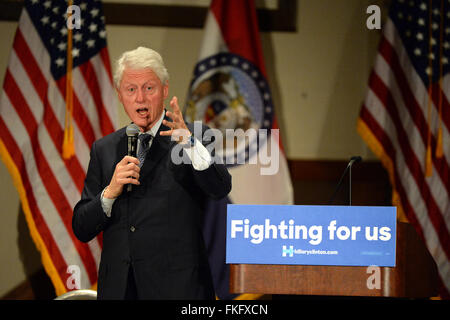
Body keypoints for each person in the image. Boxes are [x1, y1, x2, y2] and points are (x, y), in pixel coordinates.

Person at [72, 46, 232, 300]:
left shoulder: (193, 137)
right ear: (120, 94)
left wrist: (189, 144)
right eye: (131, 89)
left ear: (165, 90)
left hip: (178, 289)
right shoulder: (104, 149)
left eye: (149, 88)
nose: (140, 99)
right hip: (121, 290)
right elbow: (81, 227)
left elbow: (220, 187)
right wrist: (110, 192)